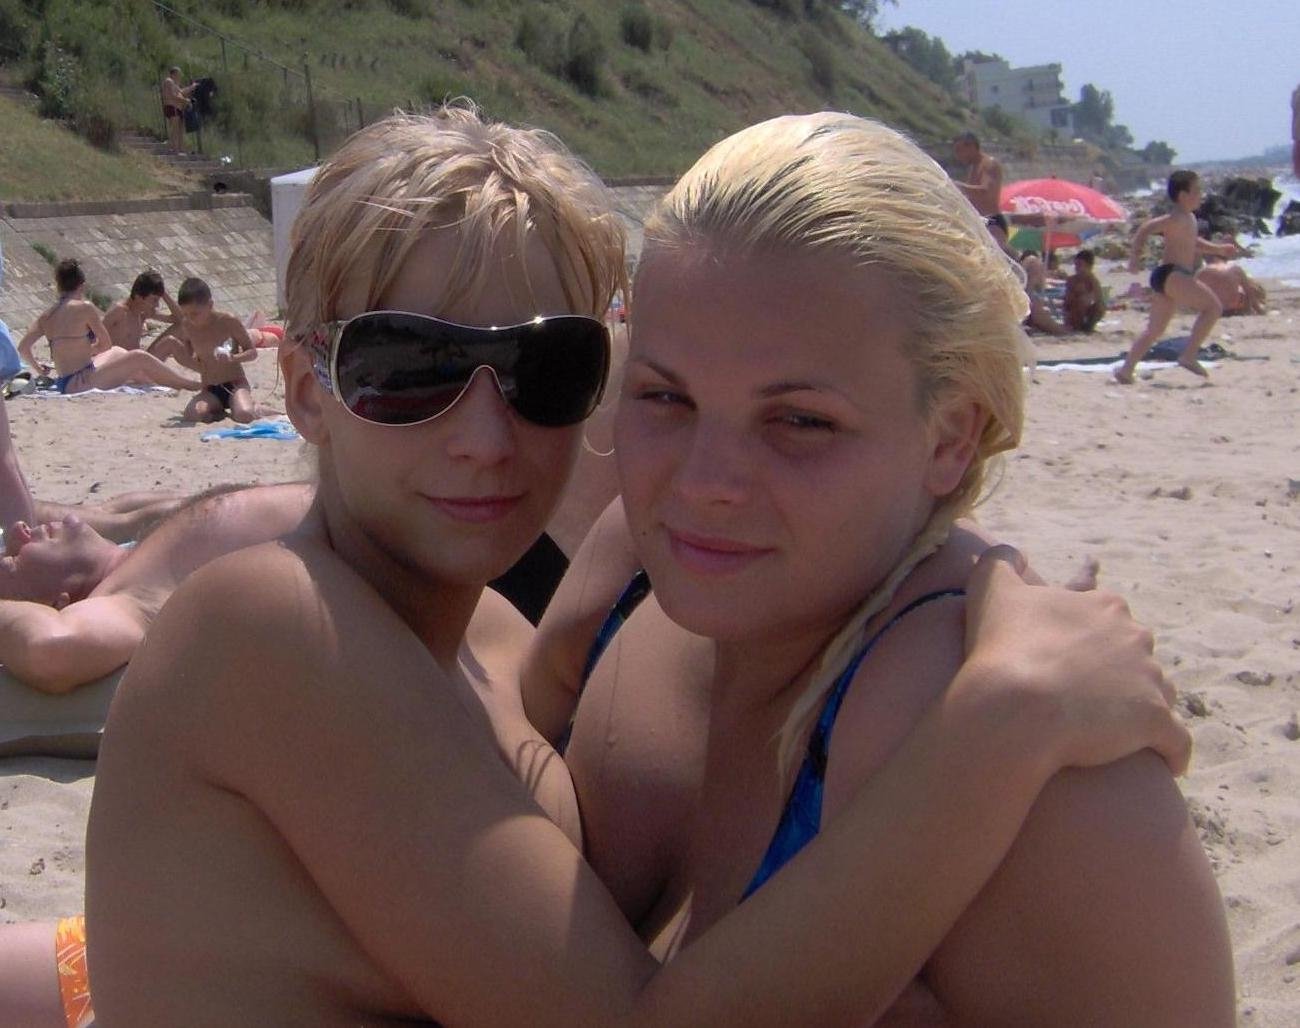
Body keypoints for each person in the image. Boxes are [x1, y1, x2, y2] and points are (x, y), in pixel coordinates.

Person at [0, 109, 1183, 1027]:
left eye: (544, 369)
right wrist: (999, 729)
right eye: (407, 366)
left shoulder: (503, 645)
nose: (482, 434)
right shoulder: (273, 623)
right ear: (307, 390)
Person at [530, 113, 1233, 1025]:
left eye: (801, 421)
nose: (702, 484)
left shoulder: (1045, 769)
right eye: (667, 396)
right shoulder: (624, 577)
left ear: (951, 439)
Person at [0, 484, 310, 692]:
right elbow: (52, 650)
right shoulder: (124, 598)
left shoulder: (137, 553)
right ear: (56, 603)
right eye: (13, 559)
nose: (19, 530)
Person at [1114, 170, 1246, 384]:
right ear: (1183, 195)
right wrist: (1135, 257)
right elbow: (1146, 228)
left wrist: (1219, 249)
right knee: (1213, 308)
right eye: (1197, 191)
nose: (1201, 195)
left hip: (1167, 277)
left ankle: (1126, 370)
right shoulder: (1176, 217)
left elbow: (1193, 243)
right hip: (1174, 274)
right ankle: (1189, 355)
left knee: (1154, 330)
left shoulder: (1189, 218)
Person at [16, 259, 202, 394]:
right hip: (81, 381)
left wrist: (40, 370)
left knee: (119, 352)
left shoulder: (46, 316)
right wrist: (86, 350)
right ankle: (191, 385)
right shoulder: (85, 308)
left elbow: (23, 348)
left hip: (65, 381)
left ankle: (153, 378)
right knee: (137, 356)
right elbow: (104, 344)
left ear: (58, 286)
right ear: (82, 286)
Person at [151, 276, 263, 422]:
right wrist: (179, 352)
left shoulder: (228, 321)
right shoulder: (187, 325)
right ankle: (221, 411)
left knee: (244, 415)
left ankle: (253, 407)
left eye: (195, 314)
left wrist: (233, 358)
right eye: (186, 314)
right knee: (193, 415)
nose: (190, 318)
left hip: (234, 383)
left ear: (210, 305)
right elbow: (190, 357)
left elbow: (252, 353)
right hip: (210, 387)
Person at [101, 270, 182, 351]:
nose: (157, 305)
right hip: (115, 357)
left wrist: (163, 293)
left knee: (180, 328)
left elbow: (180, 319)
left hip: (136, 357)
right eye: (154, 300)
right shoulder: (119, 311)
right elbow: (96, 334)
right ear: (138, 297)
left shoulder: (142, 313)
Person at [951, 130, 1003, 219]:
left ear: (971, 146)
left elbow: (986, 192)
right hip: (978, 220)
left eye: (959, 150)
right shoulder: (973, 167)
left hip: (990, 220)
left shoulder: (989, 163)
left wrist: (957, 186)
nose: (957, 155)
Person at [1019, 250, 1068, 336]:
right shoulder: (1034, 265)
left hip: (1026, 310)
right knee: (1061, 332)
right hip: (1031, 310)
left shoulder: (1023, 276)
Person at [1197, 259, 1266, 316]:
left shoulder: (1201, 272)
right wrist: (1259, 311)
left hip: (1211, 308)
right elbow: (1249, 293)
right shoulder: (1235, 269)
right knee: (1248, 291)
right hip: (1231, 308)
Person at [1064, 248, 1107, 332]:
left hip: (1087, 310)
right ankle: (1078, 326)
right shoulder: (1072, 280)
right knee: (1081, 301)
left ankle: (1088, 327)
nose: (1076, 268)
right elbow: (1067, 302)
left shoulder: (1093, 281)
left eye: (1079, 265)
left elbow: (1099, 299)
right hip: (1073, 312)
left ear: (1089, 267)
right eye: (1076, 265)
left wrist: (1090, 297)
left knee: (1099, 306)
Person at [160, 66, 196, 154]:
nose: (180, 76)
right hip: (172, 107)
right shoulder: (169, 81)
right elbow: (173, 95)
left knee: (179, 129)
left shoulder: (174, 84)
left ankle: (179, 148)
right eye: (178, 74)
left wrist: (191, 87)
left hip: (177, 108)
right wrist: (185, 100)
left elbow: (181, 92)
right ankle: (174, 148)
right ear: (174, 74)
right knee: (175, 129)